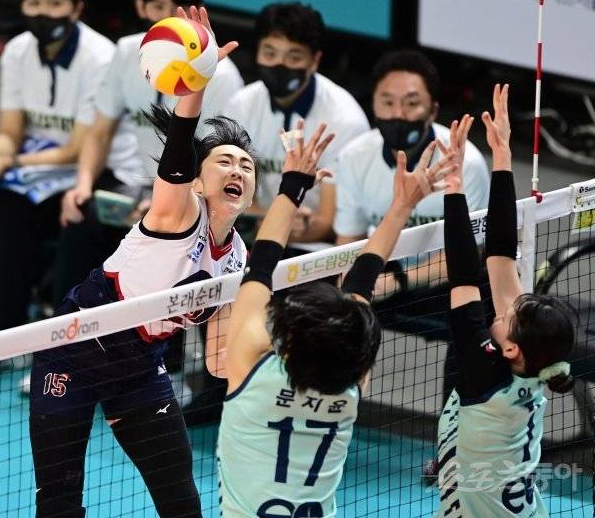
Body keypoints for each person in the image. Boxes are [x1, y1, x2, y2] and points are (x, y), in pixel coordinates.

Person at [28, 6, 250, 518]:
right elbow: (178, 149)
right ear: (197, 181)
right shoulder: (177, 213)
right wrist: (195, 84)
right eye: (224, 161)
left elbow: (219, 362)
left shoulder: (238, 258)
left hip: (139, 368)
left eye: (246, 164)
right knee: (59, 505)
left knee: (181, 503)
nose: (237, 169)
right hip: (73, 354)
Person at [216, 119, 457, 516]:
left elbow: (262, 262)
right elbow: (358, 282)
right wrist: (403, 205)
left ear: (290, 341)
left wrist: (294, 184)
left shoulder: (253, 373)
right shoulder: (350, 390)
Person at [55, 0, 244, 306]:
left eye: (177, 9)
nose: (169, 18)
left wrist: (170, 201)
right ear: (141, 7)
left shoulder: (222, 75)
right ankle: (60, 321)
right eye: (158, 7)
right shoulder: (127, 51)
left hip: (188, 194)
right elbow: (100, 131)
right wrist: (82, 185)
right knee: (79, 219)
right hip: (130, 184)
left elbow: (216, 160)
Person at [437, 85, 575, 517]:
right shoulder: (531, 365)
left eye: (508, 314)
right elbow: (500, 255)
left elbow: (464, 273)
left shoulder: (484, 375)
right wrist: (501, 155)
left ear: (511, 347)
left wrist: (454, 186)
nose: (504, 304)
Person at [333, 49, 490, 408]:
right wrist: (358, 285)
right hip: (379, 272)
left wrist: (401, 280)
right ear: (373, 105)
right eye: (388, 102)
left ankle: (458, 419)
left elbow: (470, 255)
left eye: (411, 103)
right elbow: (347, 243)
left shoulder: (465, 162)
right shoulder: (355, 156)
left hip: (445, 280)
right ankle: (334, 403)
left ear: (432, 110)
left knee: (473, 320)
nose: (399, 114)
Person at [0, 0, 114, 333]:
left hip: (83, 168)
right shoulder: (17, 50)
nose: (43, 12)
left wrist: (12, 163)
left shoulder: (100, 56)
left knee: (40, 218)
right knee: (6, 210)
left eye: (55, 2)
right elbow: (10, 131)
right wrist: (0, 156)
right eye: (34, 2)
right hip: (32, 164)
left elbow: (78, 147)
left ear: (76, 8)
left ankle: (52, 336)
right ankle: (4, 331)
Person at [222, 1, 369, 248]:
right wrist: (270, 221)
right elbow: (227, 193)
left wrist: (296, 226)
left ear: (315, 60)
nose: (279, 65)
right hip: (248, 237)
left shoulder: (345, 121)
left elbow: (330, 221)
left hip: (310, 245)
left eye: (294, 57)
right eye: (270, 53)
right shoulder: (240, 106)